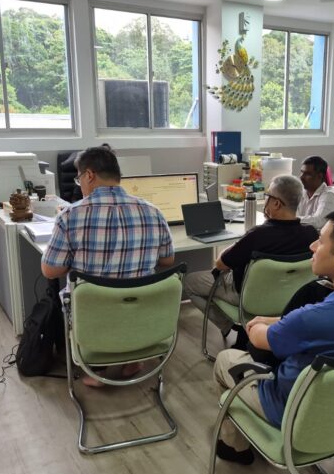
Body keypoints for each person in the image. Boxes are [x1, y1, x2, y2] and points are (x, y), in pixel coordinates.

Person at [212, 208, 334, 464]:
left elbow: (258, 338)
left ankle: (234, 447)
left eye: (320, 241)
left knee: (225, 360)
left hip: (292, 409)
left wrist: (257, 323)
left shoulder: (311, 319)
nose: (312, 246)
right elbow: (315, 325)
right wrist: (277, 321)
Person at [41, 145, 174, 384]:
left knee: (88, 299)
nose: (79, 184)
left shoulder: (70, 216)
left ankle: (97, 370)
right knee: (131, 295)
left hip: (93, 319)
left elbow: (50, 270)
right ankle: (133, 359)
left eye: (79, 178)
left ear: (89, 175)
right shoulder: (153, 211)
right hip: (143, 315)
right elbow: (167, 260)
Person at [183, 175, 318, 339]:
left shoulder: (258, 235)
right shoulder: (311, 234)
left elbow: (220, 264)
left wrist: (241, 241)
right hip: (291, 297)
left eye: (268, 196)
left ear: (276, 203)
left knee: (189, 282)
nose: (266, 200)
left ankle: (228, 325)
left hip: (247, 296)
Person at [297, 156, 334, 230]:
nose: (301, 177)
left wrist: (290, 220)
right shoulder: (301, 192)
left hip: (322, 236)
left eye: (307, 174)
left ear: (320, 176)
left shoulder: (329, 195)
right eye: (301, 172)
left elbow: (318, 221)